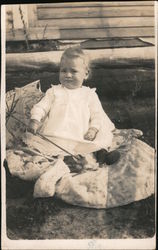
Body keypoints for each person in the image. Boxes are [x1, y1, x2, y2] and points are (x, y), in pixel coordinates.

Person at [29, 46, 120, 165]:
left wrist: (93, 129)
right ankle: (67, 158)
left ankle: (102, 154)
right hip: (58, 132)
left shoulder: (89, 94)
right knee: (53, 147)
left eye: (73, 71)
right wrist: (35, 119)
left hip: (82, 134)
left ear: (85, 74)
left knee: (102, 135)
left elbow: (97, 115)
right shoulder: (54, 92)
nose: (68, 75)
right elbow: (41, 107)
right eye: (63, 71)